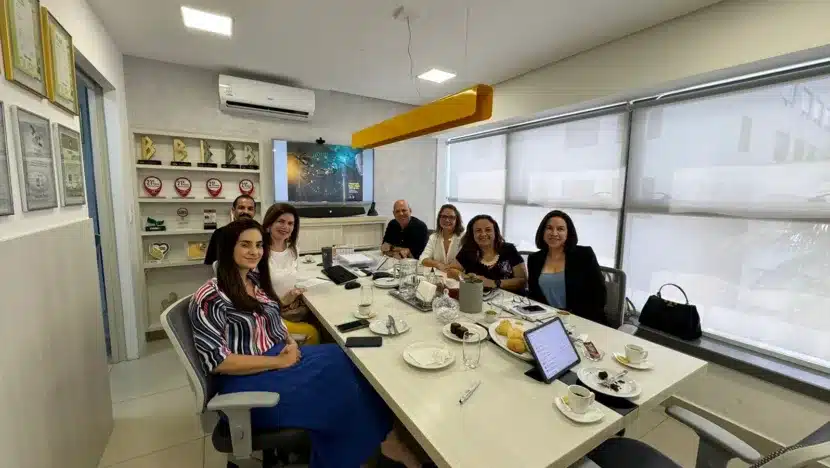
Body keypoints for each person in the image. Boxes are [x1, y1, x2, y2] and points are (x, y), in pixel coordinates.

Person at [190, 218, 428, 468]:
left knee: (352, 361)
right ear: (228, 248)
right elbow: (217, 361)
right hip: (248, 380)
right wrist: (279, 361)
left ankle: (374, 445)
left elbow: (271, 321)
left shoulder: (254, 280)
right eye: (245, 245)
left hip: (277, 359)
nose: (255, 252)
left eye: (259, 245)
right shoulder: (210, 297)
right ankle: (342, 458)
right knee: (343, 395)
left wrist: (289, 340)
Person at [526, 210, 607, 325]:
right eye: (549, 228)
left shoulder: (584, 255)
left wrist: (573, 320)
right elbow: (534, 296)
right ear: (542, 232)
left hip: (584, 320)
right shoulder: (534, 259)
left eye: (560, 229)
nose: (554, 233)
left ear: (568, 233)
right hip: (546, 320)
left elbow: (600, 296)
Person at [262, 203, 320, 345]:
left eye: (290, 223)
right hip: (269, 314)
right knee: (313, 332)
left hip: (291, 308)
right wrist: (283, 301)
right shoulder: (259, 251)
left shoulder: (293, 249)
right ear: (269, 223)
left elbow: (292, 276)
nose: (286, 227)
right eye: (281, 222)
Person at [447, 215, 527, 292]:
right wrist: (469, 278)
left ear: (495, 232)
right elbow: (451, 271)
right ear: (472, 234)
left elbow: (522, 281)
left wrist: (494, 283)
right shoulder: (468, 250)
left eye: (488, 230)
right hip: (479, 298)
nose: (483, 234)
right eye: (478, 230)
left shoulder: (509, 249)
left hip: (511, 300)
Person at [204, 195, 256, 265]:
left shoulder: (261, 233)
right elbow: (211, 263)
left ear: (254, 212)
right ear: (233, 211)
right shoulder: (219, 233)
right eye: (241, 208)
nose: (246, 211)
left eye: (250, 209)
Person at [419, 204, 463, 272]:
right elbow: (423, 259)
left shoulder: (463, 237)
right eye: (444, 216)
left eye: (451, 217)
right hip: (438, 277)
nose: (447, 220)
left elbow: (465, 263)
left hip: (458, 279)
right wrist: (438, 264)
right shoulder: (433, 237)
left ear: (457, 220)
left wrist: (446, 267)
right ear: (439, 218)